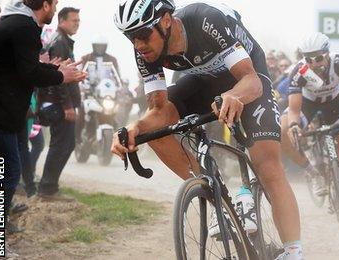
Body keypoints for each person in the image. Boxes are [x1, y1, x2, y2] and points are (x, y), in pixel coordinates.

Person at [109, 1, 302, 259]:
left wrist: (233, 95)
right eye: (130, 37)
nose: (138, 44)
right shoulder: (145, 51)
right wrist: (134, 127)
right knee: (153, 132)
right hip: (204, 80)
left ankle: (293, 251)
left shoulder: (205, 21)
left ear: (166, 20)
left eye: (143, 34)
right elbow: (158, 110)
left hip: (247, 77)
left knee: (267, 166)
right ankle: (215, 194)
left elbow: (252, 81)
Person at [0, 0, 85, 256]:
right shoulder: (24, 26)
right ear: (44, 5)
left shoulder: (13, 22)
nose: (55, 9)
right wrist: (60, 75)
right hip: (0, 118)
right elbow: (28, 72)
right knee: (7, 175)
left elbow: (22, 68)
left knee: (5, 174)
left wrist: (55, 69)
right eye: (54, 4)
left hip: (3, 116)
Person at [279, 32, 339, 233]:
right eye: (309, 59)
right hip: (308, 105)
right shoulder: (299, 70)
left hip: (335, 105)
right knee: (283, 130)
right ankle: (312, 172)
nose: (314, 63)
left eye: (319, 58)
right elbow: (294, 109)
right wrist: (294, 125)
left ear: (327, 54)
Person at [37, 6, 81, 201]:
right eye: (74, 20)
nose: (77, 24)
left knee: (66, 144)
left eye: (78, 21)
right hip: (58, 104)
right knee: (61, 144)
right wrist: (67, 106)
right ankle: (47, 188)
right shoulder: (60, 42)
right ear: (62, 20)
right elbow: (59, 78)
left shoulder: (63, 40)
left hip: (59, 103)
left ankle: (49, 186)